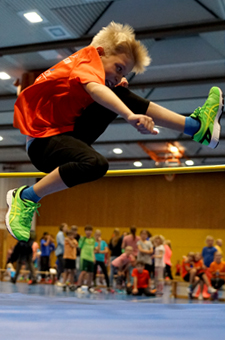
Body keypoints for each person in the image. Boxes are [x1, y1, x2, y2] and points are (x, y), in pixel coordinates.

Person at [5, 22, 223, 242]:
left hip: (65, 133)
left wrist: (115, 82)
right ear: (100, 53)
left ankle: (197, 127)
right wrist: (129, 115)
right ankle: (25, 197)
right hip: (44, 145)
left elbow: (102, 88)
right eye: (118, 68)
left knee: (119, 92)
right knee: (96, 163)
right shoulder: (86, 60)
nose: (119, 77)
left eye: (123, 73)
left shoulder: (91, 68)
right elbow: (96, 90)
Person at [76, 225, 96, 293]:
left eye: (90, 230)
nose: (88, 232)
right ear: (85, 231)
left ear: (92, 231)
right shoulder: (82, 239)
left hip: (91, 258)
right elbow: (79, 247)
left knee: (91, 273)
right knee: (83, 272)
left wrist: (94, 257)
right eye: (87, 230)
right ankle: (79, 286)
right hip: (84, 257)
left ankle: (89, 287)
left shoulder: (93, 239)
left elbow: (93, 249)